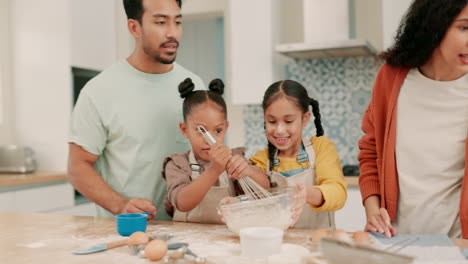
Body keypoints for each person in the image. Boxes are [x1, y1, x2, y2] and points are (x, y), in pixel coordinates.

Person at [68, 0, 204, 220]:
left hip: (188, 230)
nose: (173, 33)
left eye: (177, 22)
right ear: (134, 27)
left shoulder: (195, 85)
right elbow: (78, 168)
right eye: (161, 22)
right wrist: (121, 206)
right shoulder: (99, 91)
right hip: (126, 232)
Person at [359, 0, 468, 238]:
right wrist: (373, 208)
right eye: (464, 28)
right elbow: (370, 150)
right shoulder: (391, 78)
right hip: (396, 240)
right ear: (435, 24)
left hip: (458, 246)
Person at [162, 78, 270, 224]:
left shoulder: (235, 158)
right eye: (201, 130)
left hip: (226, 239)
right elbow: (182, 203)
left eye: (218, 130)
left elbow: (264, 190)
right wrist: (214, 170)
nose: (209, 139)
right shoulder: (177, 164)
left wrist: (248, 171)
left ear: (226, 128)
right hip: (189, 238)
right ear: (184, 129)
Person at [250, 80, 347, 229]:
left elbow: (338, 193)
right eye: (271, 121)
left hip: (317, 244)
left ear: (305, 118)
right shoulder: (262, 159)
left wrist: (308, 195)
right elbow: (251, 200)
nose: (279, 130)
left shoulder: (321, 148)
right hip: (278, 245)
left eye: (288, 121)